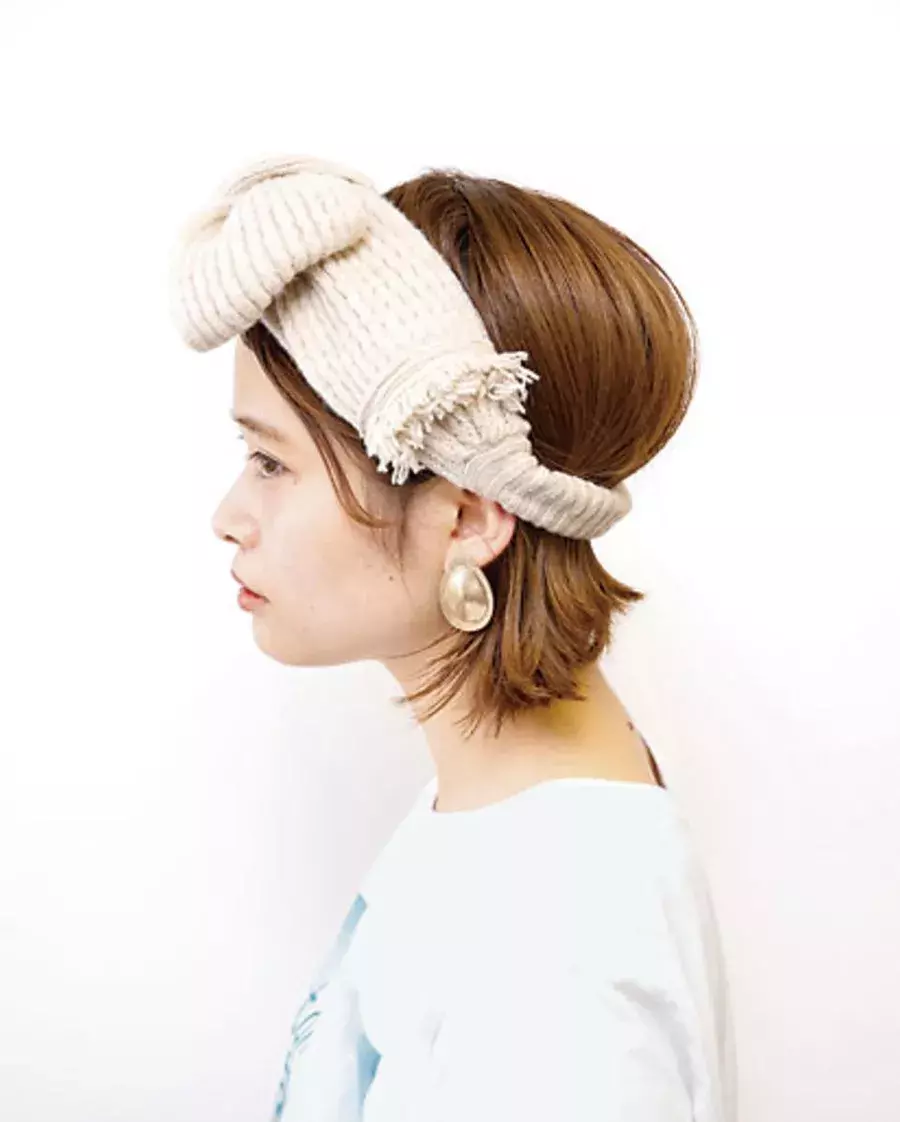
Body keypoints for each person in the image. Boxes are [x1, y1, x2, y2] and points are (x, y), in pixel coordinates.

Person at [169, 153, 737, 1120]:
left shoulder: (555, 975)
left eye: (271, 462)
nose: (229, 516)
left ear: (469, 518)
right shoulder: (511, 802)